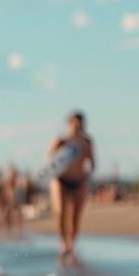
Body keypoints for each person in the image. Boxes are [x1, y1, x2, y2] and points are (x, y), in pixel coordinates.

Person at [46, 111, 96, 261]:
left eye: (79, 124)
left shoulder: (87, 143)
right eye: (73, 124)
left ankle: (71, 243)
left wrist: (87, 175)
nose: (76, 127)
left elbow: (92, 162)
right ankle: (62, 242)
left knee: (75, 216)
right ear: (68, 124)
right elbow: (49, 160)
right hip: (61, 180)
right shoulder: (60, 141)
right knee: (60, 211)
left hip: (79, 181)